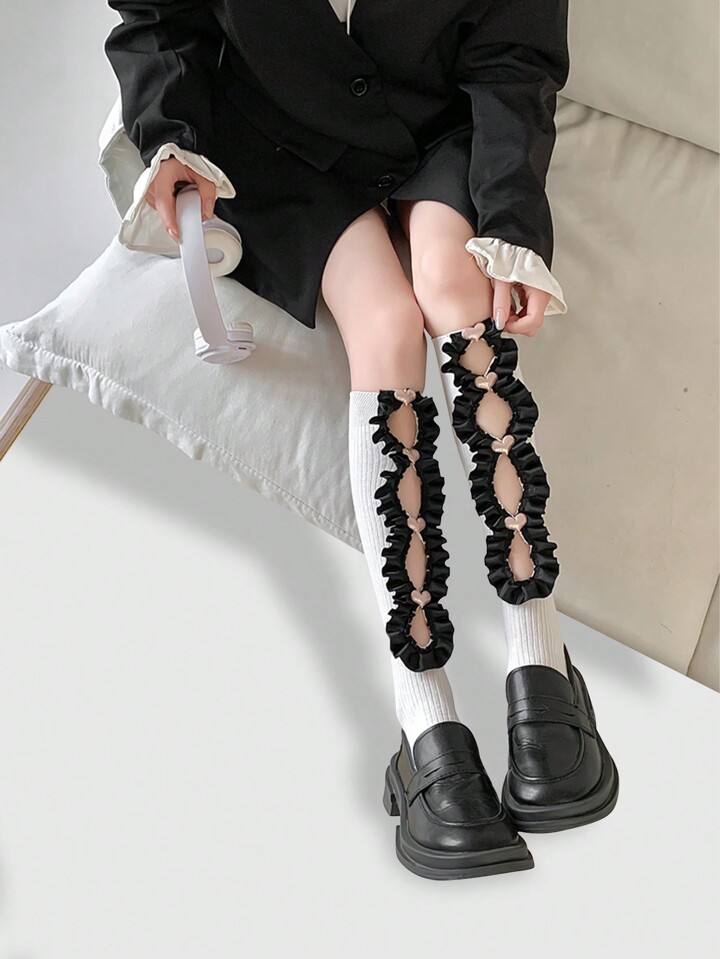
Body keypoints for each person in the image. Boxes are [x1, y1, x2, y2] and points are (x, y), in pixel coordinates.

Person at [104, 0, 619, 880]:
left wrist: (512, 222)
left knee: (455, 286)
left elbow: (513, 57)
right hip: (277, 144)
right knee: (383, 327)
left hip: (435, 123)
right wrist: (171, 140)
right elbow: (157, 17)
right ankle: (428, 708)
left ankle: (534, 657)